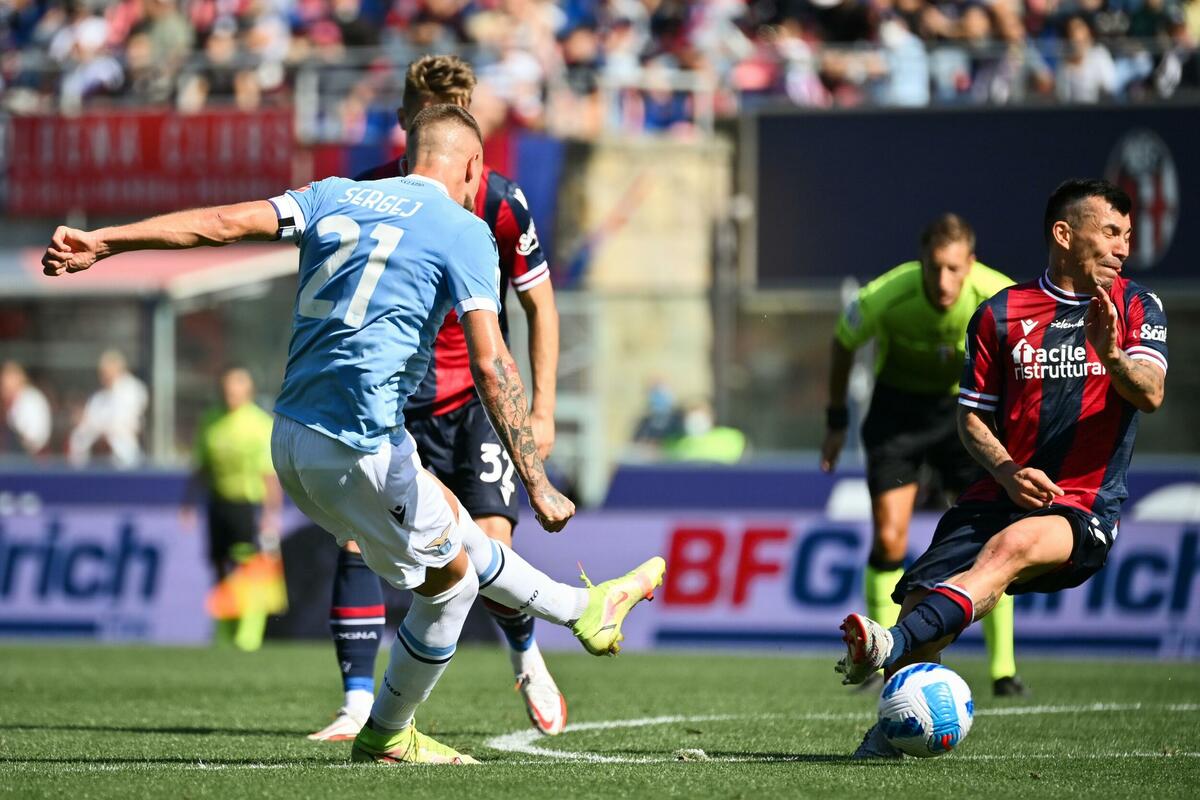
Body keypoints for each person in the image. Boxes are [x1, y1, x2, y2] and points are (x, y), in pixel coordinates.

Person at [41, 104, 665, 766]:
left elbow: (222, 223)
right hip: (359, 446)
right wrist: (536, 480)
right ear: (474, 167)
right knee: (452, 583)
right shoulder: (465, 230)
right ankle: (396, 726)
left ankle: (576, 613)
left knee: (458, 546)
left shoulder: (334, 194)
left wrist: (106, 241)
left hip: (290, 439)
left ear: (408, 155)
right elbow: (491, 363)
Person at [836, 179, 1167, 758]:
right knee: (920, 601)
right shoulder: (1000, 313)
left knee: (1011, 547)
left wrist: (1111, 355)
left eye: (1127, 235)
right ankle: (889, 732)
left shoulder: (1137, 306)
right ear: (1065, 234)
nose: (1123, 247)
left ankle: (890, 643)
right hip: (1000, 491)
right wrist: (1009, 471)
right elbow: (971, 419)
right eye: (1111, 232)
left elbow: (1151, 393)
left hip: (1082, 505)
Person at [309, 54, 567, 744]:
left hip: (477, 399)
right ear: (403, 123)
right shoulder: (366, 194)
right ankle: (357, 705)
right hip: (393, 401)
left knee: (491, 542)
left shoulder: (500, 201)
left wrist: (541, 409)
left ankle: (527, 657)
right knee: (359, 538)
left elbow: (540, 305)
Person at [821, 214, 1026, 698]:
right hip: (898, 417)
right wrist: (836, 421)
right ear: (921, 263)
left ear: (971, 264)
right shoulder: (888, 296)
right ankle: (878, 662)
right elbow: (843, 343)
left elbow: (1033, 362)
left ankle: (1004, 671)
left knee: (995, 542)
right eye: (935, 268)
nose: (943, 280)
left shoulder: (1001, 298)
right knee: (889, 538)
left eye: (954, 269)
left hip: (965, 417)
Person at [185, 366, 283, 651]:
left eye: (237, 388)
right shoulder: (211, 420)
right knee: (219, 566)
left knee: (248, 568)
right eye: (228, 389)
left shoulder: (258, 423)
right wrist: (188, 502)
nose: (232, 394)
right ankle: (224, 629)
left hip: (247, 505)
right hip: (218, 502)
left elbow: (269, 475)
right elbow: (202, 465)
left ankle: (249, 632)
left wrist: (270, 514)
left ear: (248, 391)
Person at [67, 349, 148, 468]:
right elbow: (86, 424)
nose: (104, 376)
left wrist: (99, 426)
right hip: (94, 457)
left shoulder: (133, 389)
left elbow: (124, 422)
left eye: (107, 371)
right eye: (102, 373)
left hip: (124, 456)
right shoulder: (98, 397)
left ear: (119, 369)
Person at [0, 360, 52, 457]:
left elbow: (35, 439)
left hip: (30, 459)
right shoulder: (7, 401)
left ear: (20, 377)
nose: (4, 382)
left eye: (9, 377)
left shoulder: (32, 399)